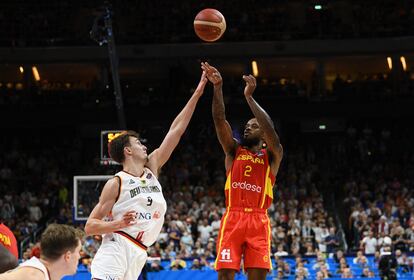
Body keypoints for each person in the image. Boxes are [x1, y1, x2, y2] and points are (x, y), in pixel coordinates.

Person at [84, 70, 208, 280]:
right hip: (117, 245)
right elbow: (90, 226)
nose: (144, 146)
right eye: (138, 143)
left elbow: (176, 130)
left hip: (140, 250)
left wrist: (198, 91)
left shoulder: (152, 167)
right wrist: (117, 224)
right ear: (128, 151)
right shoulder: (116, 183)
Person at [201, 62, 283, 280]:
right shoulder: (233, 151)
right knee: (225, 275)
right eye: (247, 125)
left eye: (254, 125)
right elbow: (219, 120)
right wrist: (217, 87)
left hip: (258, 220)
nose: (248, 127)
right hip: (233, 216)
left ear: (264, 135)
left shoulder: (272, 155)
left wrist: (249, 98)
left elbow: (271, 132)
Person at [0, 223, 84, 280]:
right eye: (78, 251)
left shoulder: (41, 273)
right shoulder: (34, 276)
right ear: (67, 256)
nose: (79, 256)